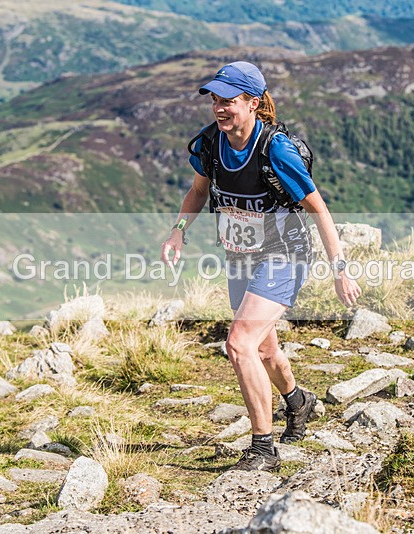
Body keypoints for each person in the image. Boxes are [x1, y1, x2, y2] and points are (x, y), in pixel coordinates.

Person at [161, 61, 361, 471]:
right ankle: (298, 400)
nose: (219, 108)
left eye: (228, 100)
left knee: (238, 344)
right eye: (215, 99)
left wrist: (340, 268)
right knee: (265, 348)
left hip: (285, 255)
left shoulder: (276, 149)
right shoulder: (210, 145)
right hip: (241, 257)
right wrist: (178, 230)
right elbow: (198, 192)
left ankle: (263, 448)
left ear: (253, 103)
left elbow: (319, 210)